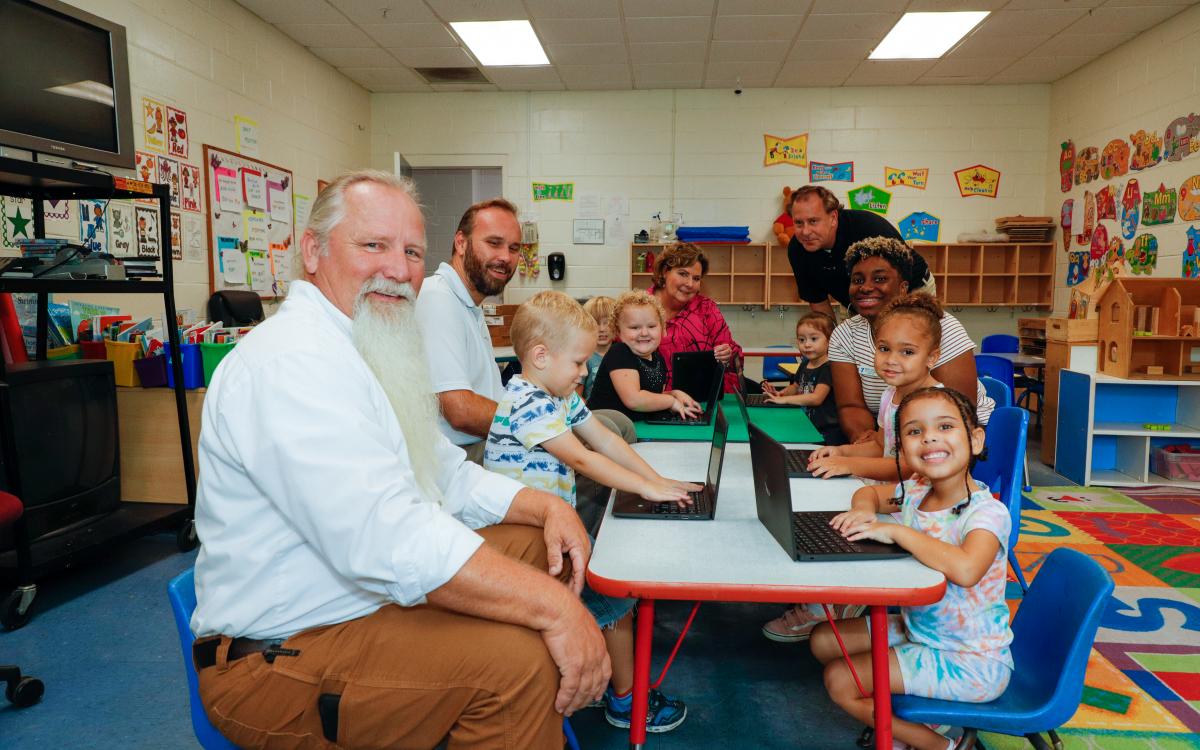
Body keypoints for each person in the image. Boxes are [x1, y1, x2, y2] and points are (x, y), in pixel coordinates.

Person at [190, 170, 610, 750]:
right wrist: (559, 614)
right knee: (518, 666)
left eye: (411, 251)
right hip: (281, 655)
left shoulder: (363, 344)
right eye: (373, 245)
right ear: (313, 251)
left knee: (543, 546)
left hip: (356, 604)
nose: (397, 268)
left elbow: (444, 469)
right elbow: (388, 541)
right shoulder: (291, 363)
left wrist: (542, 506)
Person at [485, 291, 695, 733]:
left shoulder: (558, 395)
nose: (585, 372)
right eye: (578, 363)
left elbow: (606, 440)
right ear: (541, 356)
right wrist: (646, 488)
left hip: (551, 526)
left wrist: (656, 480)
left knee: (613, 594)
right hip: (526, 539)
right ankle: (624, 701)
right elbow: (582, 459)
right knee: (615, 598)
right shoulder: (527, 401)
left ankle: (607, 684)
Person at [811, 387, 1013, 750]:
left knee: (839, 680)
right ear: (902, 450)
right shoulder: (917, 489)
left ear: (976, 439)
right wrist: (863, 510)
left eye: (946, 426)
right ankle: (915, 715)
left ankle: (939, 746)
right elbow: (871, 495)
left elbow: (967, 569)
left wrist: (898, 531)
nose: (930, 437)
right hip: (921, 628)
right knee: (823, 640)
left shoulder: (987, 513)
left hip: (970, 661)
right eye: (914, 431)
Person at [415, 198, 636, 464]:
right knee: (605, 436)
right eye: (494, 243)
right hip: (460, 455)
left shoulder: (470, 304)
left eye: (514, 248)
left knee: (616, 422)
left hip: (485, 437)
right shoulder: (438, 298)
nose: (505, 257)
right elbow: (460, 411)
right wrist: (540, 422)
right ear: (461, 243)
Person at [829, 237, 993, 443]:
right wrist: (866, 441)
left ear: (903, 287)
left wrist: (886, 454)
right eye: (858, 280)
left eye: (879, 279)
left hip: (956, 435)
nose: (866, 287)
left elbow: (960, 411)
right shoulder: (844, 335)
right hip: (890, 434)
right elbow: (851, 406)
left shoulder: (939, 326)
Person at [809, 294, 951, 482]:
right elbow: (879, 446)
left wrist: (849, 465)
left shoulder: (934, 405)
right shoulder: (890, 395)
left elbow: (909, 466)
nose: (891, 360)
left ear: (932, 357)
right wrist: (841, 452)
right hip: (890, 491)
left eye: (907, 352)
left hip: (916, 501)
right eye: (884, 349)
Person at [787, 185, 935, 318]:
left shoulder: (868, 228)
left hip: (910, 289)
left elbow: (896, 284)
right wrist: (831, 344)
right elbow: (819, 304)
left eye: (813, 221)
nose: (805, 232)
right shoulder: (797, 250)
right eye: (798, 223)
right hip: (856, 301)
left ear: (833, 218)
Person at [587, 290, 703, 422]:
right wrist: (671, 402)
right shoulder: (619, 352)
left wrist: (674, 394)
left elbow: (651, 398)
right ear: (618, 331)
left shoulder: (658, 358)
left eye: (652, 326)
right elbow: (634, 400)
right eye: (634, 327)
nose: (644, 332)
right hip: (605, 429)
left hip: (637, 427)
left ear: (663, 329)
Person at [649, 242, 744, 393]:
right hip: (651, 401)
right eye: (683, 274)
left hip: (703, 399)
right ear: (665, 271)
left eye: (696, 278)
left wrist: (727, 354)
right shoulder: (639, 307)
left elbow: (734, 358)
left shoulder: (707, 309)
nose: (690, 284)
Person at [761, 311, 846, 446]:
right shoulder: (805, 363)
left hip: (828, 433)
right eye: (802, 340)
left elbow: (816, 398)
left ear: (830, 341)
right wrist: (780, 393)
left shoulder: (829, 367)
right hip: (809, 425)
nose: (806, 344)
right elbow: (795, 387)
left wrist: (784, 400)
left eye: (814, 339)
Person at [581, 295, 616, 398]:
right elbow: (577, 397)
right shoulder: (584, 357)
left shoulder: (622, 353)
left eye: (607, 323)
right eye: (596, 323)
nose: (602, 329)